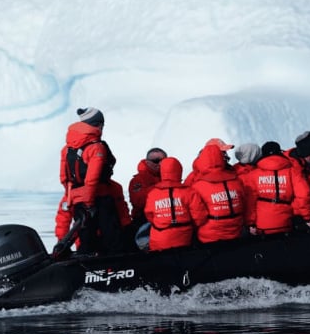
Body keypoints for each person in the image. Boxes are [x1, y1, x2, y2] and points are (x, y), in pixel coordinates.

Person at [54, 107, 126, 257]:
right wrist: (89, 202)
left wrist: (72, 195)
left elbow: (64, 177)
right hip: (98, 197)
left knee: (86, 237)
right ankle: (116, 268)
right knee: (112, 236)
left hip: (76, 196)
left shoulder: (66, 149)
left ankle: (82, 265)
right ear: (97, 124)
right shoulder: (96, 147)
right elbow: (92, 179)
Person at [143, 156, 208, 252]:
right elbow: (199, 217)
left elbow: (149, 215)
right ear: (179, 171)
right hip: (184, 239)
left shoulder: (153, 193)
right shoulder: (189, 192)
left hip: (159, 242)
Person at [248, 141, 310, 235]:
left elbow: (250, 201)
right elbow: (304, 194)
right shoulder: (292, 171)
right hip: (286, 223)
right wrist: (307, 216)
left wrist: (250, 223)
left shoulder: (253, 174)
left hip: (262, 225)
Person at [189, 142, 246, 243]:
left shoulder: (197, 186)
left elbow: (198, 216)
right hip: (237, 232)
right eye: (223, 153)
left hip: (209, 237)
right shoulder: (236, 181)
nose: (226, 156)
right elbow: (244, 203)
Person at [128, 147, 168, 227]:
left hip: (166, 218)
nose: (160, 164)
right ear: (147, 162)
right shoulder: (137, 180)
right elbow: (138, 202)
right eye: (156, 161)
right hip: (144, 221)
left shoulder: (170, 177)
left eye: (163, 161)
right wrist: (162, 187)